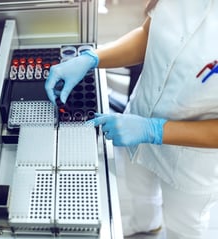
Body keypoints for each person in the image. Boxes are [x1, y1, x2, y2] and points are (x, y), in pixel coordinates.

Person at [45, 0, 218, 238]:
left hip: (191, 158)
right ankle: (147, 223)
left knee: (184, 226)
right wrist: (93, 58)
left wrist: (153, 130)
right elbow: (148, 36)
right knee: (141, 191)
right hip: (138, 119)